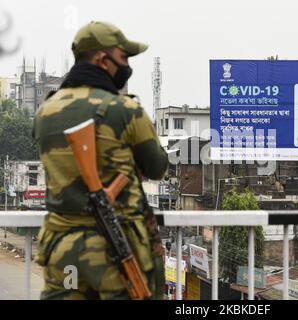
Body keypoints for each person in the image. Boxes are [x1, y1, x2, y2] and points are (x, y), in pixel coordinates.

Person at [32, 21, 168, 300]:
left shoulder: (45, 111)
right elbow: (157, 167)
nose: (127, 65)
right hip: (115, 251)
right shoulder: (125, 109)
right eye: (123, 57)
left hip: (61, 249)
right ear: (102, 60)